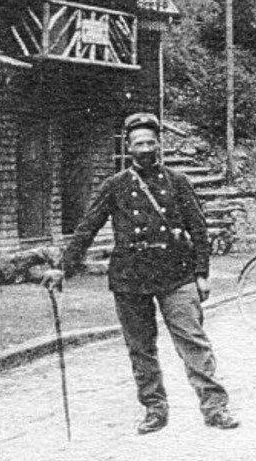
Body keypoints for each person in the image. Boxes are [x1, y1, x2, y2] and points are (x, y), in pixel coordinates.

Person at [42, 112, 238, 434]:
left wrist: (202, 272)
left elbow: (198, 229)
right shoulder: (115, 186)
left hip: (177, 274)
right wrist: (63, 267)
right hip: (130, 279)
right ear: (128, 147)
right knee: (140, 348)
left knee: (193, 342)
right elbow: (87, 228)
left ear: (159, 144)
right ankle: (154, 409)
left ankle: (216, 407)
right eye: (138, 143)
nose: (145, 148)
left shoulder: (178, 181)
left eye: (150, 142)